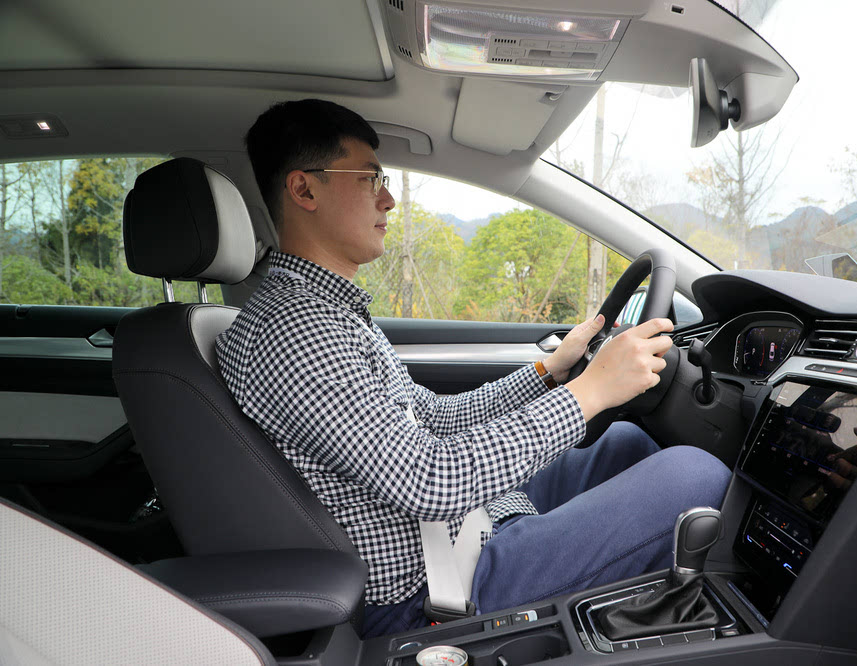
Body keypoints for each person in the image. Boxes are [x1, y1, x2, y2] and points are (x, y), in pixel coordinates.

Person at [216, 98, 730, 638]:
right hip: (437, 587)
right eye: (370, 179)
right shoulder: (296, 329)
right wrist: (591, 393)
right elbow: (428, 479)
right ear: (304, 190)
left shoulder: (329, 312)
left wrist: (550, 372)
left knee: (625, 443)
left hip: (456, 530)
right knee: (695, 475)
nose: (388, 199)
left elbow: (434, 417)